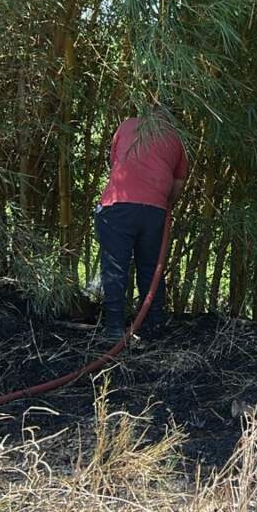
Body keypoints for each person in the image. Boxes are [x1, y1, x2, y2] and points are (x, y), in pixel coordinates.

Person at [95, 104, 188, 342]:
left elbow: (115, 163)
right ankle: (153, 323)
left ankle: (114, 328)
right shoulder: (176, 138)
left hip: (119, 205)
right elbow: (178, 184)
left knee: (116, 266)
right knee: (149, 267)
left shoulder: (127, 125)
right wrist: (164, 205)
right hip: (155, 211)